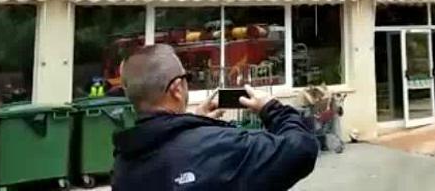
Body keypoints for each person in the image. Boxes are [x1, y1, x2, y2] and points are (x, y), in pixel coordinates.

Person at [112, 44, 319, 191]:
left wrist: (190, 122)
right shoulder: (221, 146)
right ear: (176, 88)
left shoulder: (124, 162)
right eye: (186, 78)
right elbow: (301, 150)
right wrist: (272, 109)